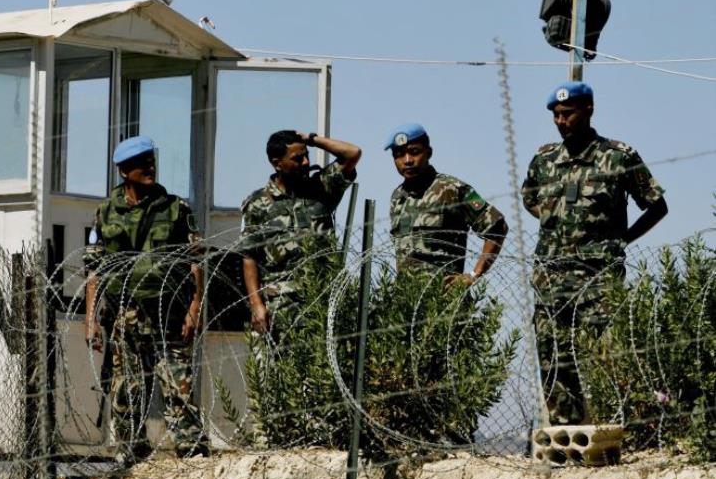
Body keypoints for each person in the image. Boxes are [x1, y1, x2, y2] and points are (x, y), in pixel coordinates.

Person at [522, 82, 668, 425]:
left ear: (588, 110)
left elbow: (657, 205)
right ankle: (566, 429)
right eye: (556, 115)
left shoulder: (618, 156)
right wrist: (552, 218)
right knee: (553, 354)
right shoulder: (544, 159)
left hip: (597, 275)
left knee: (605, 352)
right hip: (550, 275)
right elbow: (530, 198)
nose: (561, 121)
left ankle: (619, 425)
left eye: (568, 113)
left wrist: (622, 240)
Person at [84, 135, 206, 467]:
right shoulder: (106, 212)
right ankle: (131, 455)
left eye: (151, 160)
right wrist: (91, 319)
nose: (149, 167)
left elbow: (197, 261)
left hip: (170, 310)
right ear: (124, 171)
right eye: (141, 163)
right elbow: (94, 269)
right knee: (127, 391)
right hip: (126, 314)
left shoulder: (175, 208)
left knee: (178, 387)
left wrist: (195, 309)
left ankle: (192, 455)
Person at [240, 130, 361, 333]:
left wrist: (311, 140)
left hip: (322, 300)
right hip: (281, 305)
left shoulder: (321, 188)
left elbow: (353, 153)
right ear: (277, 163)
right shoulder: (257, 204)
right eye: (297, 158)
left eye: (307, 155)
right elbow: (249, 256)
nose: (305, 162)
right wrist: (256, 304)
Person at [386, 123, 507, 281]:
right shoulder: (397, 197)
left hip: (443, 298)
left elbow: (497, 227)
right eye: (399, 155)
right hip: (407, 299)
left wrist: (474, 274)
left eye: (414, 152)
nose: (407, 160)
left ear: (428, 153)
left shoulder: (452, 189)